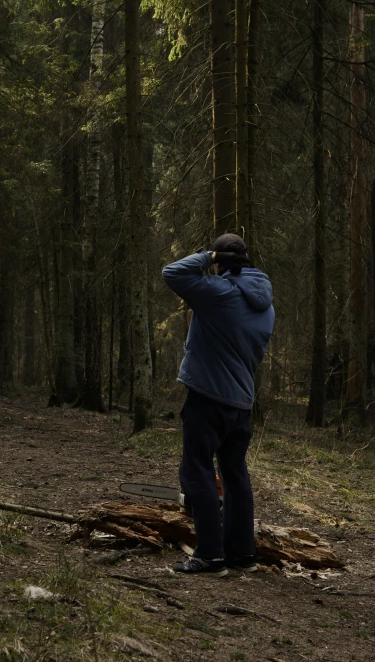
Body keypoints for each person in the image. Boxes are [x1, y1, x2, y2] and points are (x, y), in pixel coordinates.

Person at [162, 234, 275, 576]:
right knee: (235, 475)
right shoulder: (265, 306)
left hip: (208, 398)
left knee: (197, 471)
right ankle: (242, 555)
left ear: (222, 261)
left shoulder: (220, 294)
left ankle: (210, 555)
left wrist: (207, 255)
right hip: (241, 403)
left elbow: (173, 273)